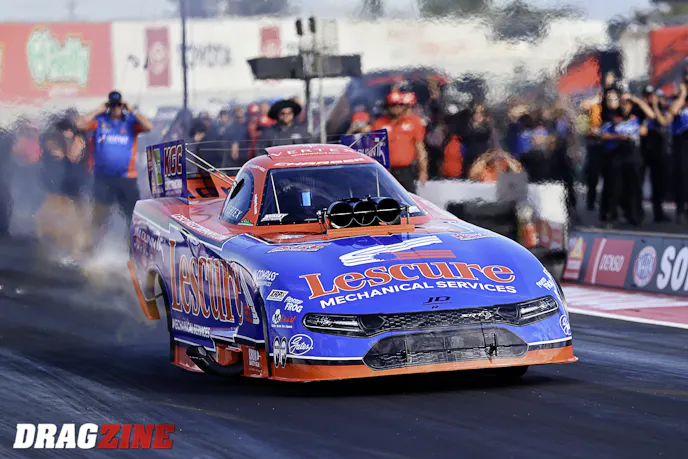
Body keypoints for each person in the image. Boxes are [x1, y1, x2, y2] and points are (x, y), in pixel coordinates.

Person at [76, 90, 153, 245]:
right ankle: (93, 248)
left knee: (133, 216)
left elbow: (148, 126)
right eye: (112, 105)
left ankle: (132, 246)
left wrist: (131, 109)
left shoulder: (130, 122)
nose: (116, 108)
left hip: (127, 178)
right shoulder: (100, 121)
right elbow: (79, 124)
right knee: (100, 215)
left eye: (118, 105)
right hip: (103, 178)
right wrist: (99, 109)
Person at [598, 93, 654, 226]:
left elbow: (651, 116)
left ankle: (635, 216)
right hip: (617, 155)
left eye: (628, 104)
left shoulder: (637, 116)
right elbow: (603, 135)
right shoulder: (613, 116)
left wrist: (635, 99)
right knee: (615, 188)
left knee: (635, 188)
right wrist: (618, 137)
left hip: (634, 156)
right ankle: (611, 216)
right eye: (623, 104)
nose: (626, 107)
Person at [371, 91, 429, 193]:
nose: (397, 108)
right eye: (393, 105)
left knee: (409, 198)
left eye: (400, 105)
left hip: (406, 170)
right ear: (387, 107)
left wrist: (423, 170)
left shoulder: (414, 122)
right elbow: (374, 150)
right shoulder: (378, 124)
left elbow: (420, 148)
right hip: (386, 171)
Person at [638, 85, 670, 222]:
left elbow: (663, 122)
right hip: (642, 150)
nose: (650, 98)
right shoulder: (639, 110)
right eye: (647, 96)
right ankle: (637, 212)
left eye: (652, 95)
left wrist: (656, 106)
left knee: (658, 182)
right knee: (638, 181)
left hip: (658, 150)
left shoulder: (661, 108)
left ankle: (659, 212)